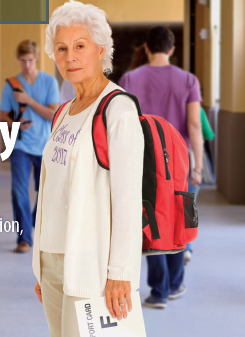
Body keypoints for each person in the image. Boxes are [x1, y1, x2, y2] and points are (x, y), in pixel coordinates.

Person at [32, 1, 144, 336]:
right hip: (52, 259)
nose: (70, 58)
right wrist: (42, 266)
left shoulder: (117, 110)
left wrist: (120, 272)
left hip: (89, 261)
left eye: (80, 47)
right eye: (62, 48)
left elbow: (127, 200)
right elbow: (52, 189)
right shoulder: (64, 111)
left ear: (101, 50)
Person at [119, 26, 203, 309]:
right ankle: (176, 283)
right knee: (179, 216)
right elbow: (193, 125)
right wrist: (199, 164)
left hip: (144, 161)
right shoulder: (189, 80)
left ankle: (160, 290)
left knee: (151, 218)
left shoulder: (130, 78)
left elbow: (122, 122)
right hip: (180, 161)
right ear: (172, 49)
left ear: (145, 48)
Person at [0, 40, 59, 253]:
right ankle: (24, 238)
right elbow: (3, 115)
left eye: (31, 61)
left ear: (37, 59)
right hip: (20, 146)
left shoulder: (49, 82)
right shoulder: (11, 84)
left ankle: (33, 221)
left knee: (46, 192)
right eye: (23, 61)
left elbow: (53, 114)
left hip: (46, 146)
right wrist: (16, 124)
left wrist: (28, 100)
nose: (27, 65)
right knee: (18, 191)